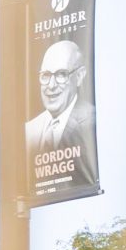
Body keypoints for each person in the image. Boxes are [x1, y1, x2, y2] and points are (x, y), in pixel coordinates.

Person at [24, 37, 96, 186]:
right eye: (46, 75)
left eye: (61, 74)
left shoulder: (91, 123)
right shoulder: (29, 130)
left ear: (79, 76)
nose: (51, 85)